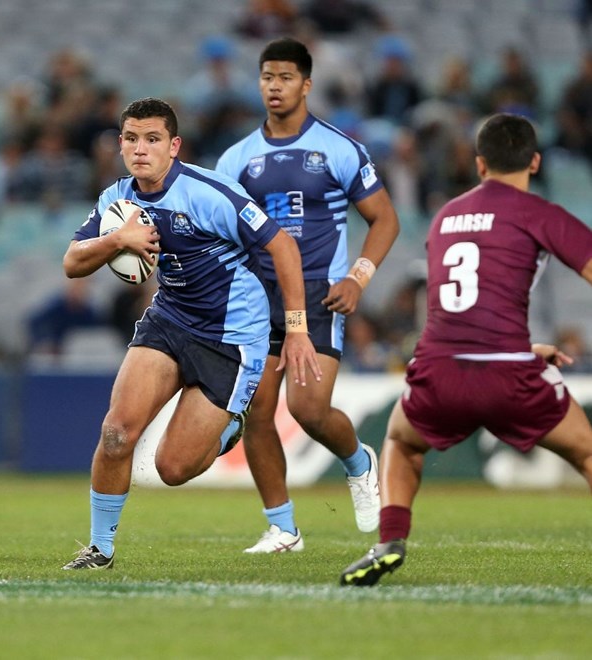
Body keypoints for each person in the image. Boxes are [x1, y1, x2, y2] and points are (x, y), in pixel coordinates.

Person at [61, 97, 320, 569]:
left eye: (153, 139)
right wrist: (117, 239)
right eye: (132, 139)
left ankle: (229, 429)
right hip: (170, 319)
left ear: (174, 146)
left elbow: (282, 246)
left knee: (172, 468)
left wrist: (297, 330)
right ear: (120, 144)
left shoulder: (208, 193)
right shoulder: (118, 200)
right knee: (116, 433)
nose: (141, 149)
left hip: (231, 336)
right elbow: (73, 262)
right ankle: (100, 548)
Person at [340, 113, 592, 586]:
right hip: (507, 372)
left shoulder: (446, 217)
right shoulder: (539, 213)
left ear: (479, 164)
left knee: (401, 442)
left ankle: (390, 542)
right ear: (535, 162)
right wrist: (518, 350)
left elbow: (459, 305)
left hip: (440, 368)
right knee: (587, 452)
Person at [215, 37, 400, 553]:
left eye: (286, 77)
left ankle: (359, 462)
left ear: (307, 84)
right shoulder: (235, 159)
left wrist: (358, 277)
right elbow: (221, 230)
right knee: (256, 411)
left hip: (319, 292)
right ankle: (283, 528)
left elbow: (385, 219)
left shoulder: (339, 149)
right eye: (267, 77)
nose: (275, 86)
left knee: (308, 409)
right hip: (259, 296)